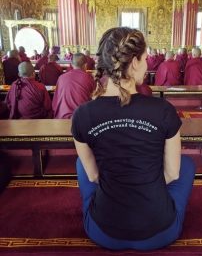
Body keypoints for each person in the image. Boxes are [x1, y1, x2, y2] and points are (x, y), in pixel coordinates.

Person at [71, 27, 195, 250]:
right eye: (146, 59)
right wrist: (142, 181)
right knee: (185, 165)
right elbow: (172, 174)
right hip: (160, 232)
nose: (147, 65)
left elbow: (93, 176)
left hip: (103, 232)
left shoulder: (82, 114)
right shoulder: (164, 110)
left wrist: (121, 183)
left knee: (82, 164)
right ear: (135, 62)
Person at [52, 53, 95, 119]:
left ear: (72, 65)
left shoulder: (61, 78)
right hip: (81, 117)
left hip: (63, 117)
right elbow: (94, 99)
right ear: (86, 65)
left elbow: (55, 101)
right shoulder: (89, 78)